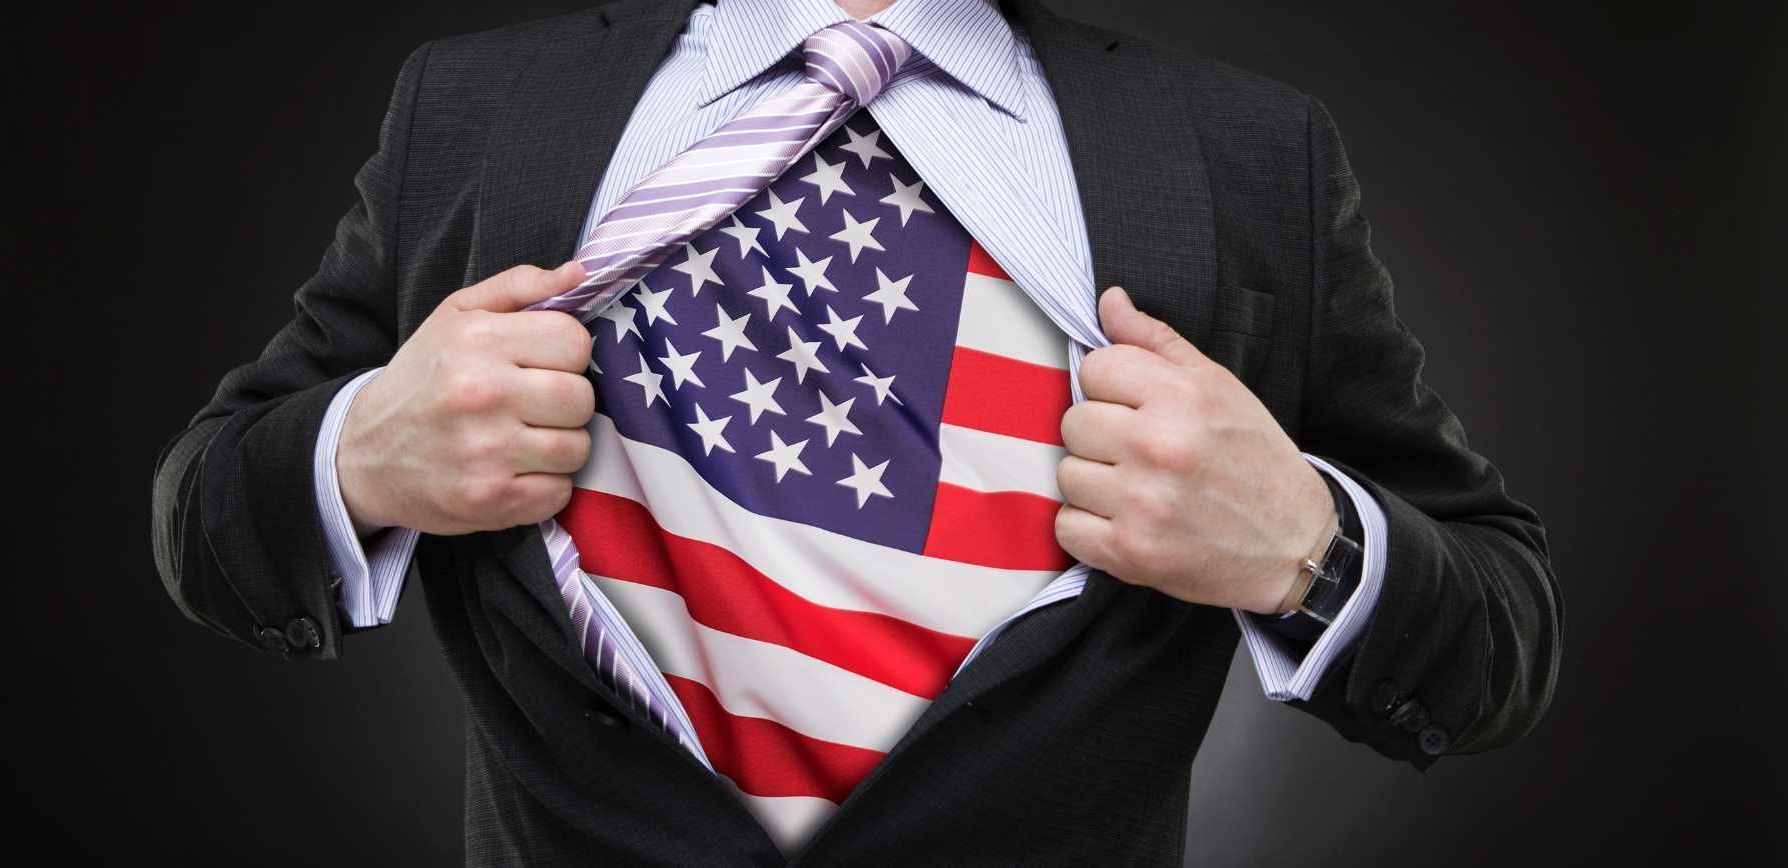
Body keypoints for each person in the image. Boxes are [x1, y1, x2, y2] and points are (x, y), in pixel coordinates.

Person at [150, 0, 1563, 863]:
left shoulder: (1247, 148)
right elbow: (212, 516)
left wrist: (1311, 546)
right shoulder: (474, 108)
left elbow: (1500, 631)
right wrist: (355, 456)